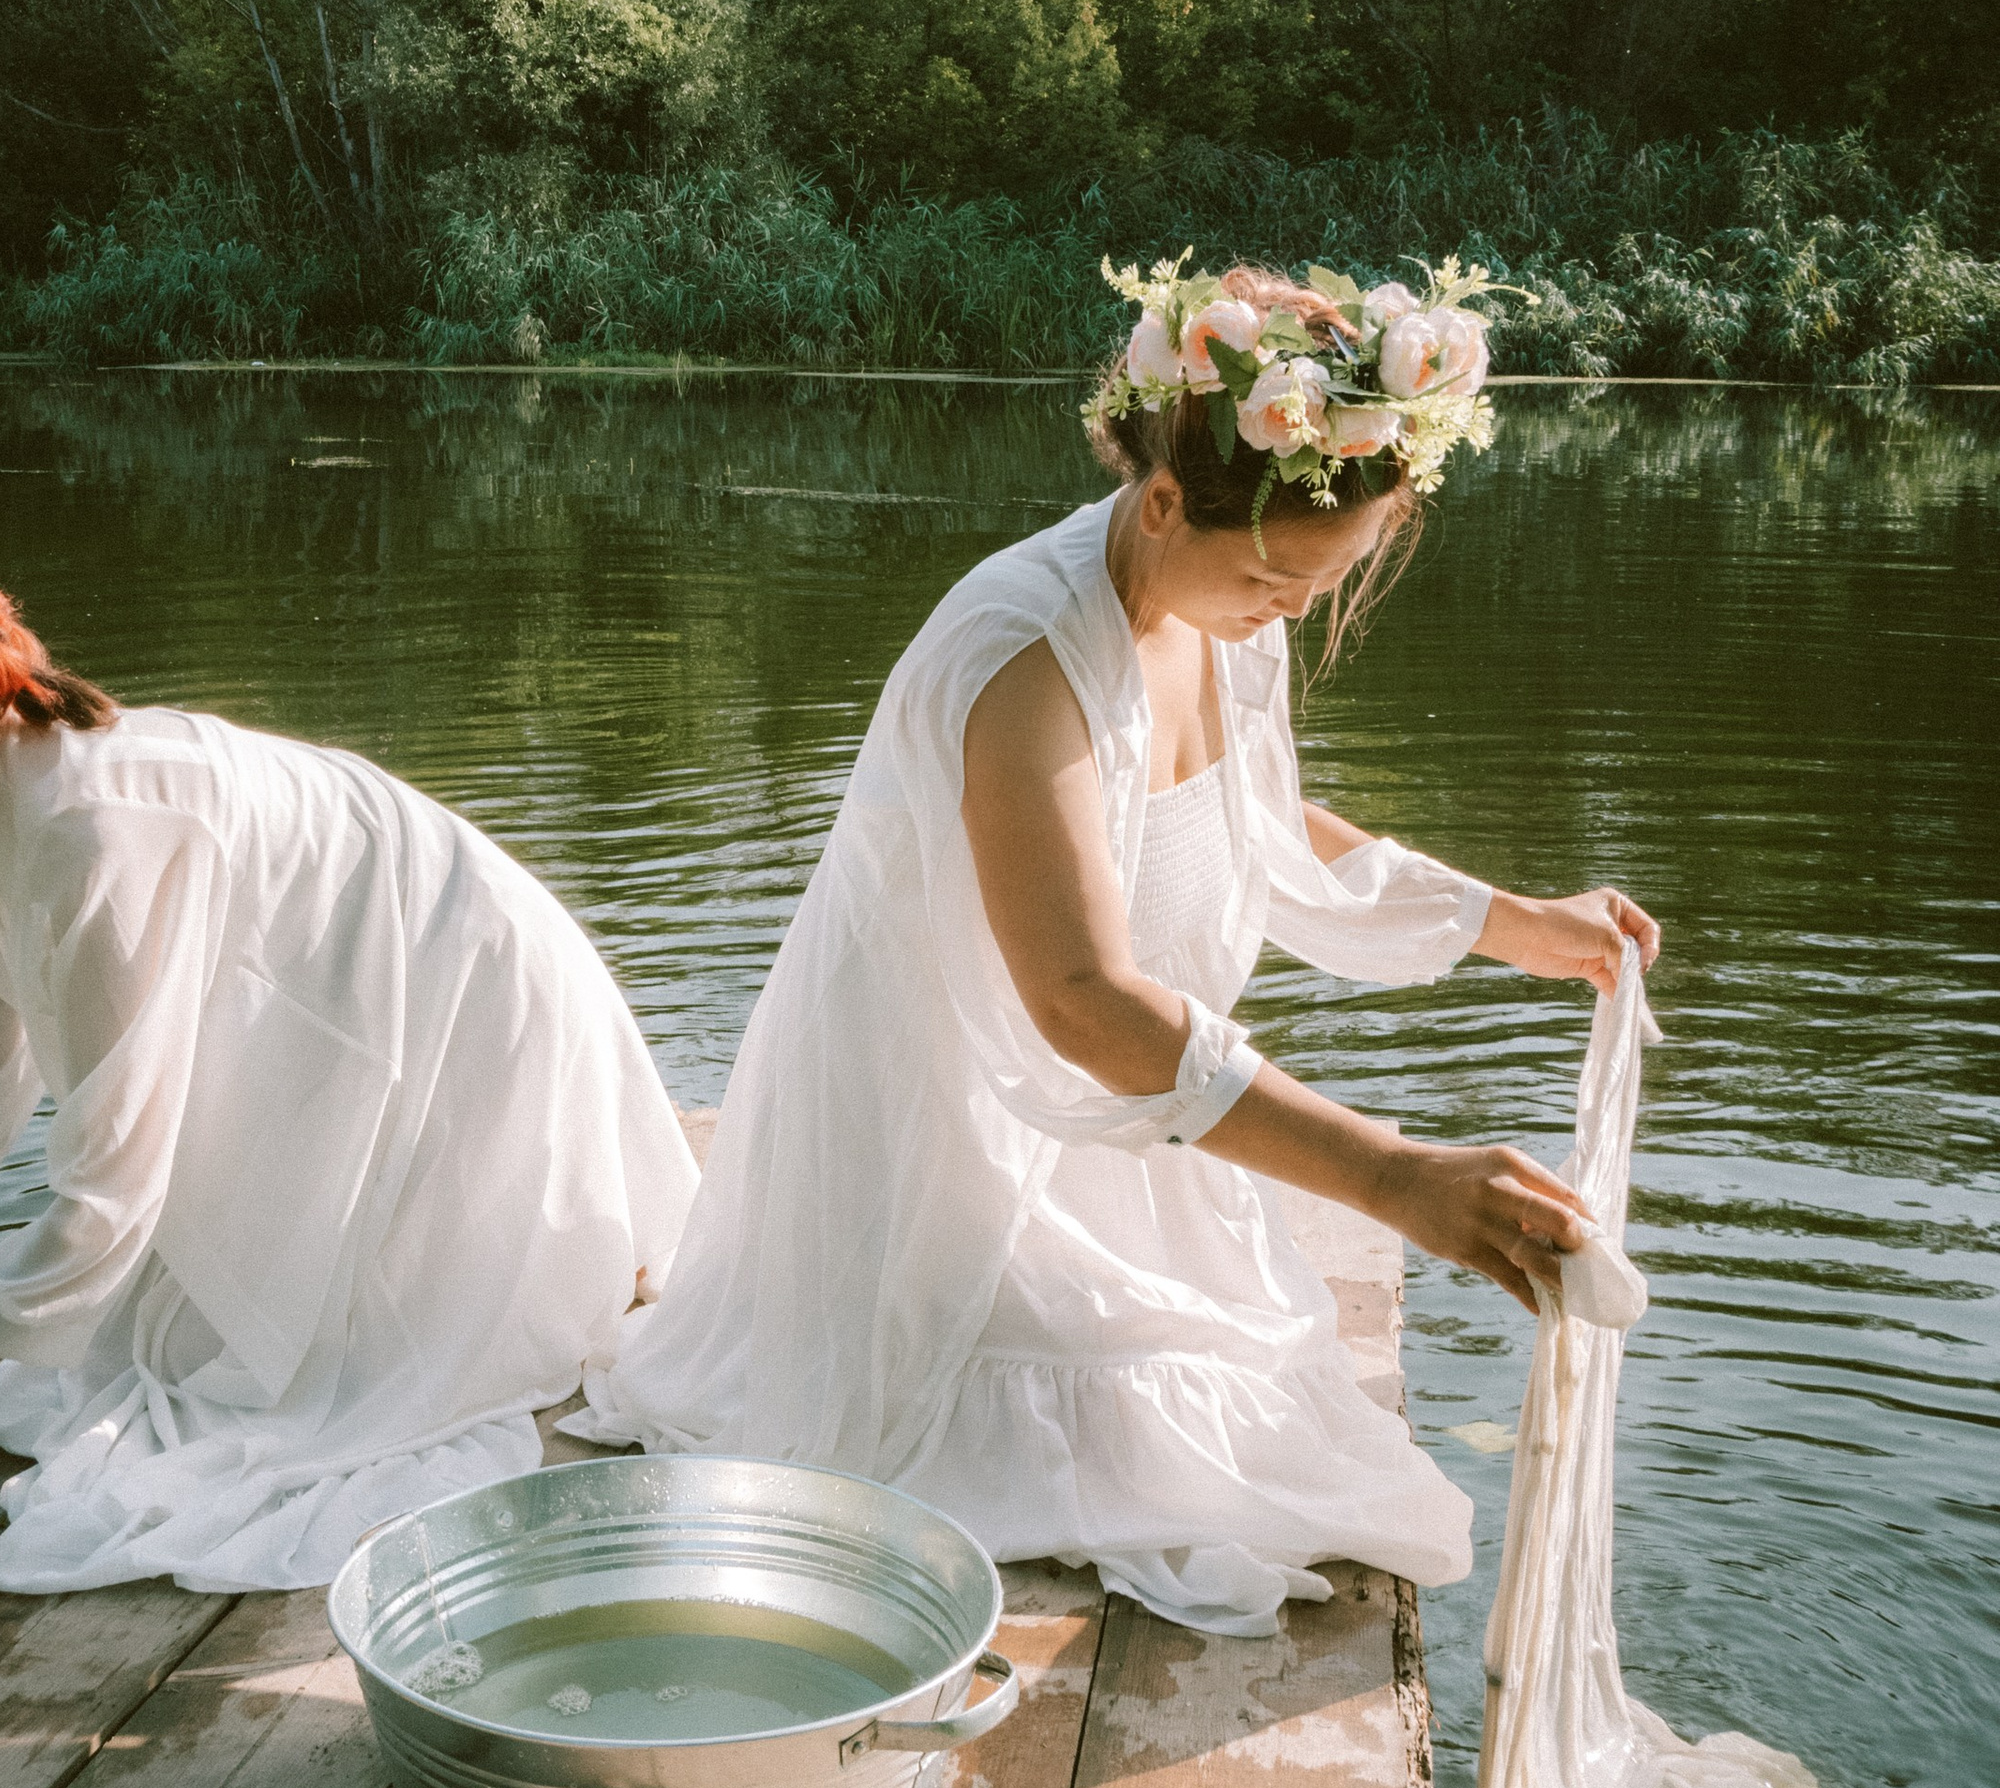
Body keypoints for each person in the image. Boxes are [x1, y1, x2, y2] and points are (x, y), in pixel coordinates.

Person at [567, 256, 1661, 1636]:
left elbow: (1255, 823)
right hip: (942, 1140)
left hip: (1108, 1135)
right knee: (1200, 1482)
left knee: (1271, 1435)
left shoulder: (1222, 603)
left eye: (1328, 582)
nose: (1297, 609)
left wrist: (1512, 922)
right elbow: (1082, 1001)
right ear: (1159, 501)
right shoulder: (1023, 654)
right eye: (1279, 576)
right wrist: (1395, 1178)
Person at [0, 437, 698, 1593]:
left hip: (469, 998)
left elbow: (108, 1199)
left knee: (341, 1392)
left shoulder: (89, 833)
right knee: (169, 1353)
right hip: (361, 983)